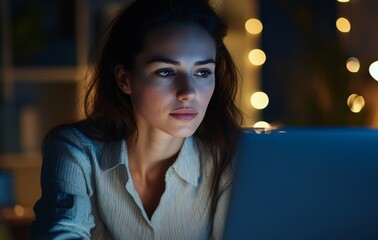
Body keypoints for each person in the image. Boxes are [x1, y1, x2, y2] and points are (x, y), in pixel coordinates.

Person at [31, 0, 242, 239]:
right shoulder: (77, 150)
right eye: (166, 71)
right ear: (124, 79)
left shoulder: (230, 161)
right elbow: (62, 232)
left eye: (202, 72)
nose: (189, 92)